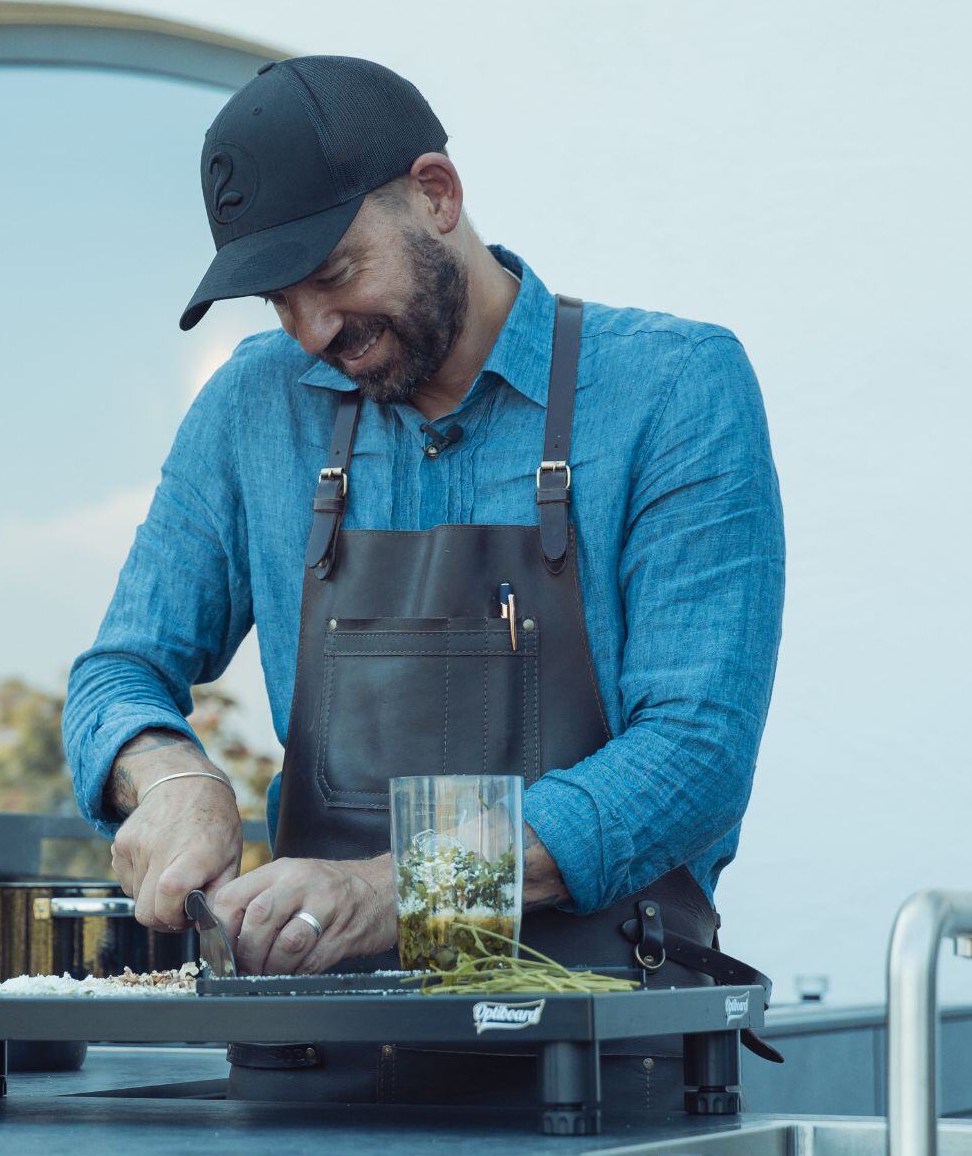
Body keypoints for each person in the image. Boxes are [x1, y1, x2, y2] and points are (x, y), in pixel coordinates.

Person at [62, 55, 784, 1101]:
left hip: (591, 1061)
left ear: (435, 195)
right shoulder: (253, 407)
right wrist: (166, 775)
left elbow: (693, 752)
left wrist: (392, 892)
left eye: (334, 274)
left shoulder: (672, 388)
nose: (311, 331)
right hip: (306, 1067)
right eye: (279, 298)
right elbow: (117, 672)